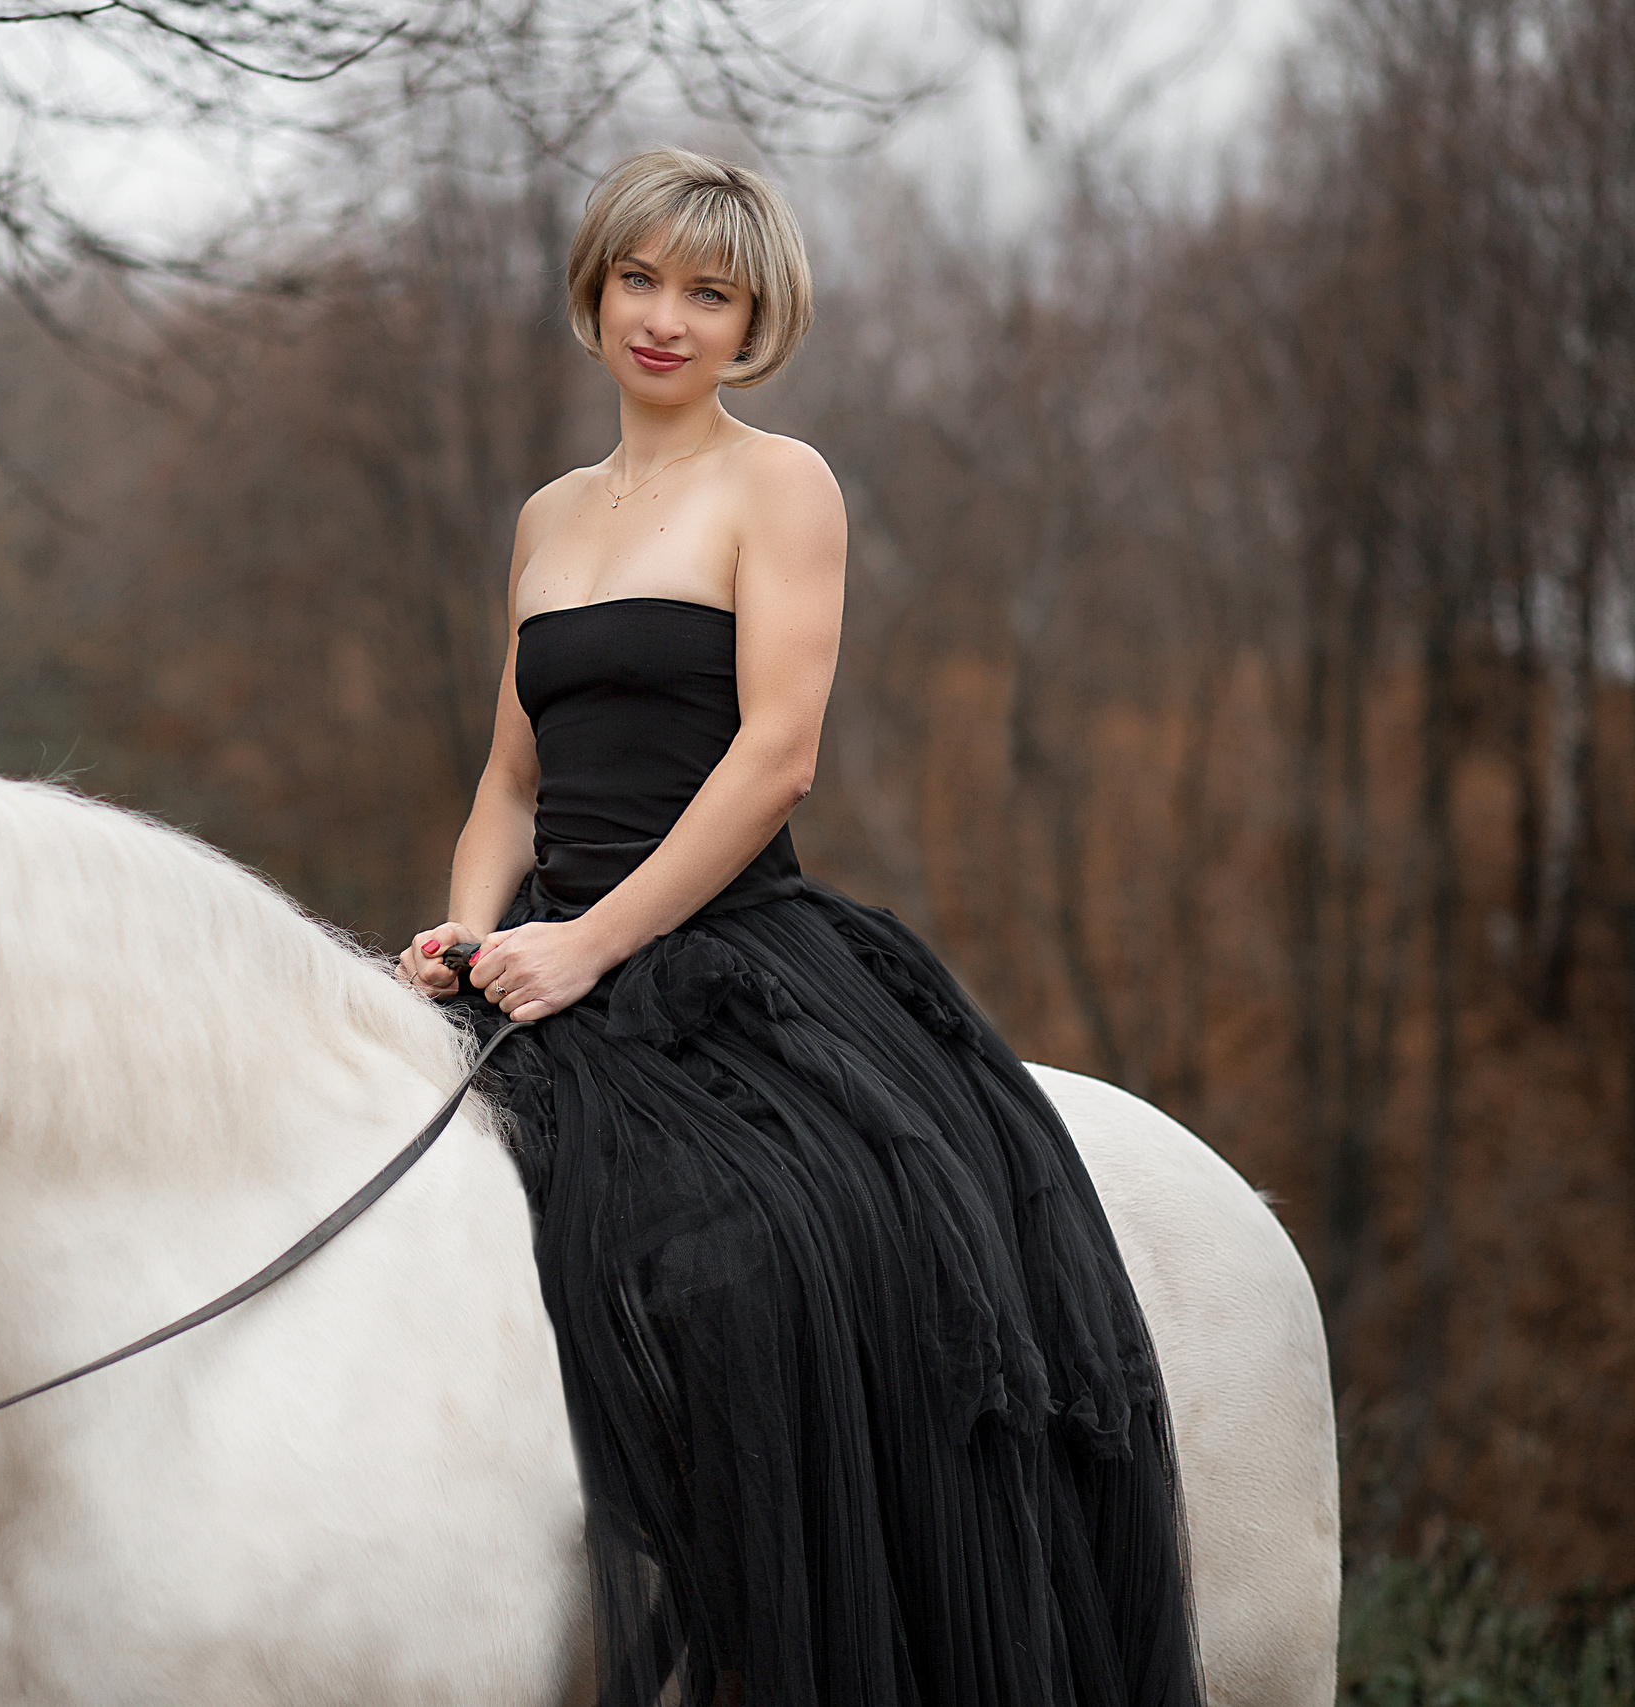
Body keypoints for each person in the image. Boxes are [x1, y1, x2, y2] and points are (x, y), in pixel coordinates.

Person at [394, 147, 1202, 1707]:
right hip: (540, 946)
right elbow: (507, 778)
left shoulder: (782, 483)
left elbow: (777, 756)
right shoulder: (547, 517)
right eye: (643, 279)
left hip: (726, 956)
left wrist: (589, 945)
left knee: (753, 1261)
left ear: (757, 322)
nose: (668, 320)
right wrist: (465, 929)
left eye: (711, 294)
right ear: (597, 288)